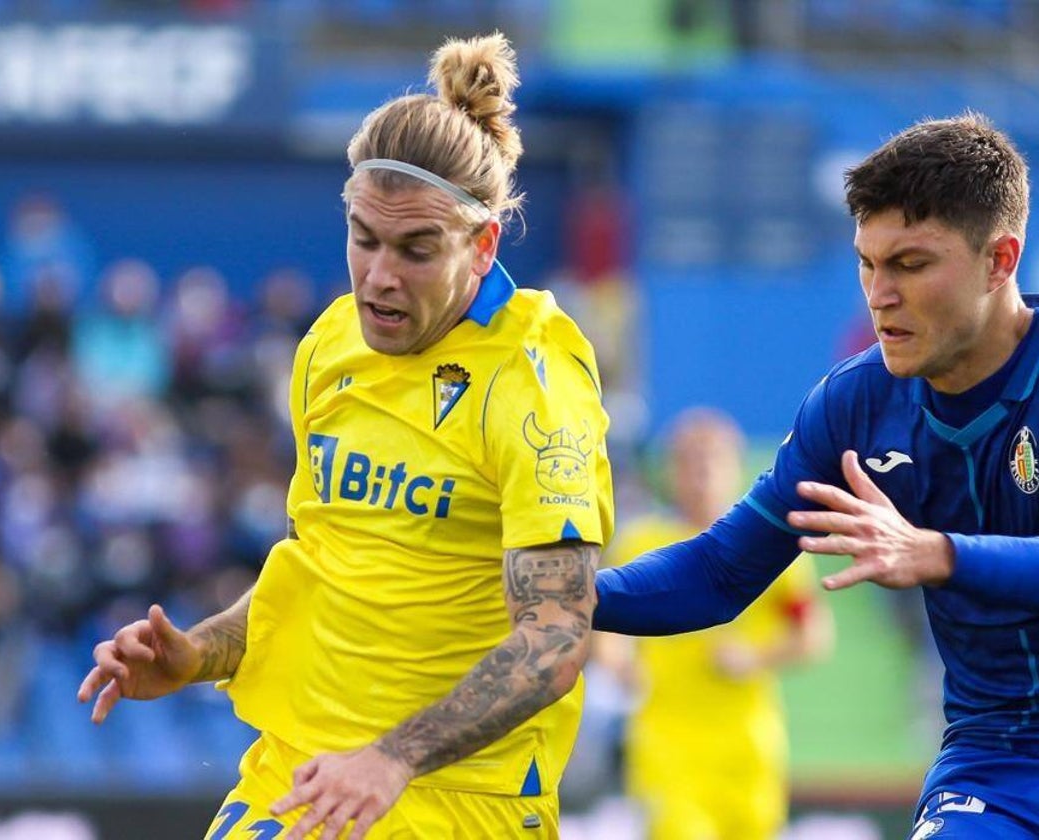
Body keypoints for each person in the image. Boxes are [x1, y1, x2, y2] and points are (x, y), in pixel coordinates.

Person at [78, 32, 614, 840]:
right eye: (364, 237)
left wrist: (393, 757)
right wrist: (198, 653)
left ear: (483, 245)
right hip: (297, 773)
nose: (380, 276)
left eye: (416, 249)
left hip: (451, 799)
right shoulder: (330, 346)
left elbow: (555, 637)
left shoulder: (533, 381)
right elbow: (327, 566)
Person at [595, 111, 1039, 838]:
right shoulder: (856, 404)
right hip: (995, 763)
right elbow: (719, 573)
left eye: (911, 264)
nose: (879, 293)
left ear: (1000, 259)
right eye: (867, 263)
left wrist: (938, 553)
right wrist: (562, 597)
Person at [596, 407, 833, 839]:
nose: (701, 474)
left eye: (712, 461)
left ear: (734, 467)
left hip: (746, 745)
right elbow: (608, 630)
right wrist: (621, 666)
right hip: (668, 742)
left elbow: (812, 636)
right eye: (689, 462)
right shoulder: (641, 543)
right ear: (669, 471)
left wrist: (753, 656)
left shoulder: (771, 549)